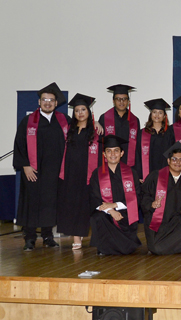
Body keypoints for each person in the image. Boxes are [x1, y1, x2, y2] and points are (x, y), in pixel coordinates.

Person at [14, 82, 70, 251]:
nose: (47, 102)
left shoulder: (63, 121)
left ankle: (48, 236)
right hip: (33, 171)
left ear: (56, 102)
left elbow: (78, 136)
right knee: (31, 204)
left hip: (54, 172)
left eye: (51, 100)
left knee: (50, 204)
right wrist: (25, 165)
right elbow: (19, 144)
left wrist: (95, 123)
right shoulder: (28, 121)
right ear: (39, 102)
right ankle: (29, 238)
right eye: (44, 99)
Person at [57, 93, 98, 250]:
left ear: (88, 111)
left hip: (86, 173)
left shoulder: (95, 131)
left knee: (84, 205)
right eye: (77, 110)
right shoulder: (69, 130)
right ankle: (76, 237)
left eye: (83, 109)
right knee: (72, 204)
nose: (80, 113)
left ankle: (81, 234)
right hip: (70, 172)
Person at [89, 135, 142, 255]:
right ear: (104, 154)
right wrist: (111, 210)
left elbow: (137, 197)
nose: (113, 154)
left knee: (127, 221)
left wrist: (115, 205)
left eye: (116, 150)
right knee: (98, 217)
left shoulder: (131, 173)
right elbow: (94, 197)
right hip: (106, 214)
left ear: (122, 153)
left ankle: (119, 246)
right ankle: (107, 248)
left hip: (125, 212)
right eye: (109, 151)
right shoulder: (97, 174)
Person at [141, 142, 181, 255]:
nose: (177, 162)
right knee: (156, 248)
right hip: (157, 224)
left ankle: (168, 247)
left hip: (175, 224)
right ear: (168, 161)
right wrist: (151, 204)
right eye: (174, 159)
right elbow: (143, 195)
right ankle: (179, 246)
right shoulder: (155, 176)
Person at [98, 84, 140, 167]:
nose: (122, 102)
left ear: (128, 101)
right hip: (109, 165)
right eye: (118, 99)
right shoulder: (104, 118)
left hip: (129, 165)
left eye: (124, 99)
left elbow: (138, 148)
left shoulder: (135, 120)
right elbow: (100, 144)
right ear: (113, 101)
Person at [135, 98, 171, 182]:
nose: (157, 115)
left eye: (160, 112)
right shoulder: (142, 133)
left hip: (166, 173)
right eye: (154, 112)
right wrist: (139, 174)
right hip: (147, 174)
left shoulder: (170, 133)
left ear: (165, 115)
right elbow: (137, 154)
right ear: (151, 114)